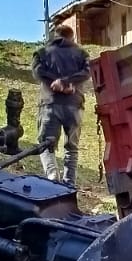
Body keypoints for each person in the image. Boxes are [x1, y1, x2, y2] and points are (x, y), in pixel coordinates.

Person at [31, 23, 91, 184]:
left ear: (55, 36)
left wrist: (55, 82)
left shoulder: (42, 52)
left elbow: (37, 71)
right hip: (75, 105)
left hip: (50, 104)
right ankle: (69, 182)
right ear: (73, 37)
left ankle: (52, 176)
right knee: (72, 147)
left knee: (46, 144)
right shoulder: (81, 53)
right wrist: (67, 82)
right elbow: (87, 71)